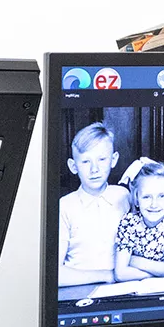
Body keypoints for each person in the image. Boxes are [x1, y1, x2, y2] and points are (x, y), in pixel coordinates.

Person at [58, 122, 130, 286]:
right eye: (86, 162)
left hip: (124, 288)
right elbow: (54, 273)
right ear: (73, 166)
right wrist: (107, 275)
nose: (94, 169)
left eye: (102, 159)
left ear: (114, 160)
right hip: (78, 289)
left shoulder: (125, 196)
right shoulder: (64, 206)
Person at [114, 160, 164, 281]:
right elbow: (120, 274)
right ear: (137, 199)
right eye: (147, 197)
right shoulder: (128, 223)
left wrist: (134, 261)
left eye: (161, 196)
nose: (154, 204)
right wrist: (163, 270)